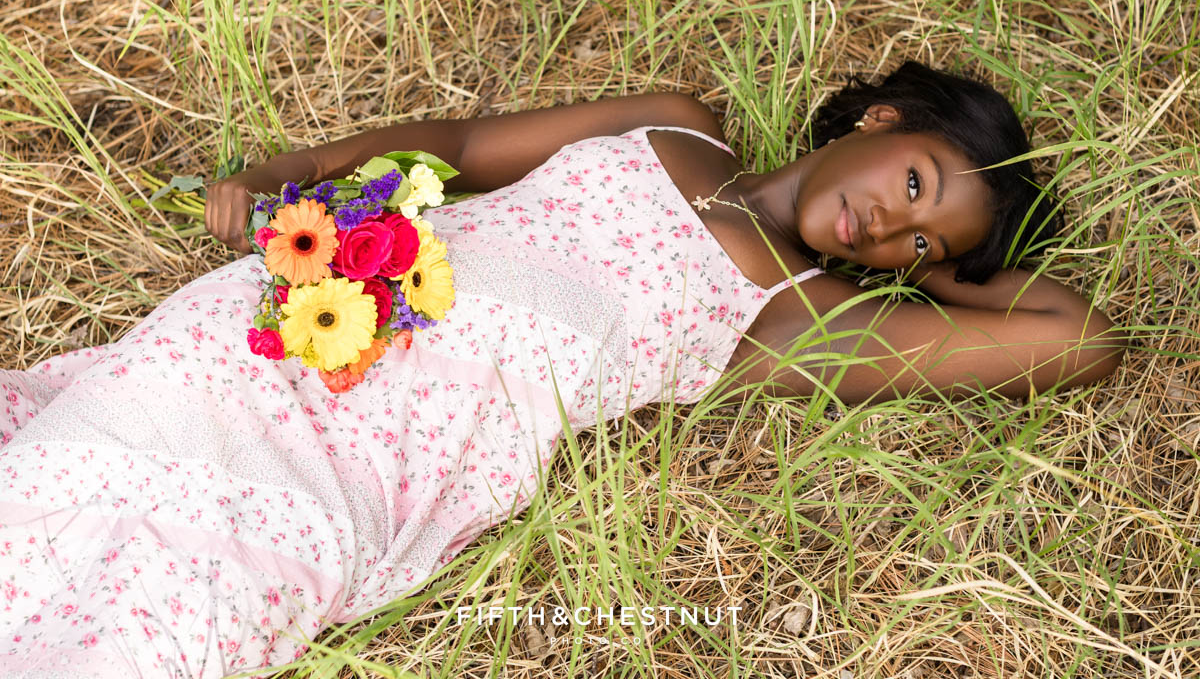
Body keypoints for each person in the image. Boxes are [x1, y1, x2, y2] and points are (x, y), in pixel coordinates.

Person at [0, 61, 1124, 677]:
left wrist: (927, 279)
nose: (888, 224)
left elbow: (1074, 338)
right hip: (315, 304)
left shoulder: (792, 319)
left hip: (399, 437)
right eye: (916, 183)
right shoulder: (676, 127)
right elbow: (454, 147)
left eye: (919, 243)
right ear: (883, 118)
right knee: (59, 476)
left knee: (173, 609)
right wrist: (292, 170)